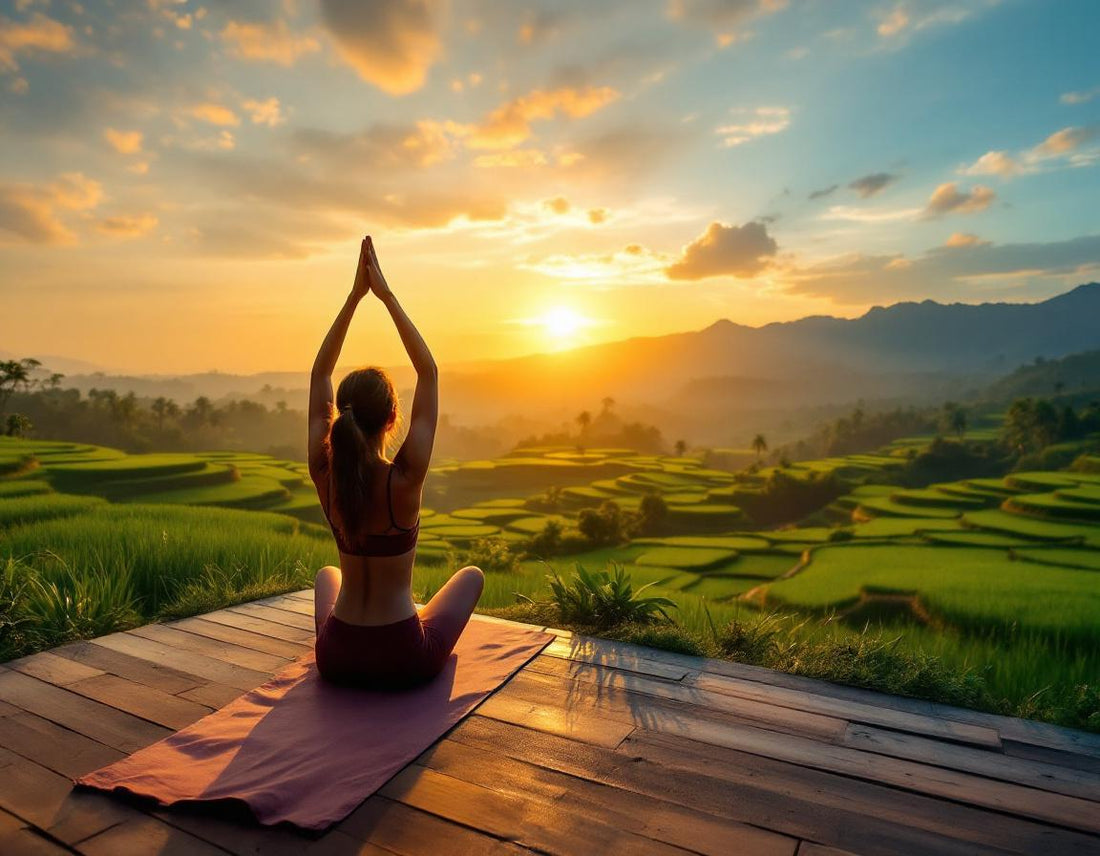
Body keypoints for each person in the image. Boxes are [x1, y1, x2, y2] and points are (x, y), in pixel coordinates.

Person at [307, 236, 484, 688]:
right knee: (471, 577)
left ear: (339, 420)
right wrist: (385, 295)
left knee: (329, 574)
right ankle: (411, 609)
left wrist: (353, 298)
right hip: (403, 659)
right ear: (391, 419)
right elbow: (429, 372)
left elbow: (320, 374)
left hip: (336, 657)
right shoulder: (403, 480)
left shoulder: (325, 474)